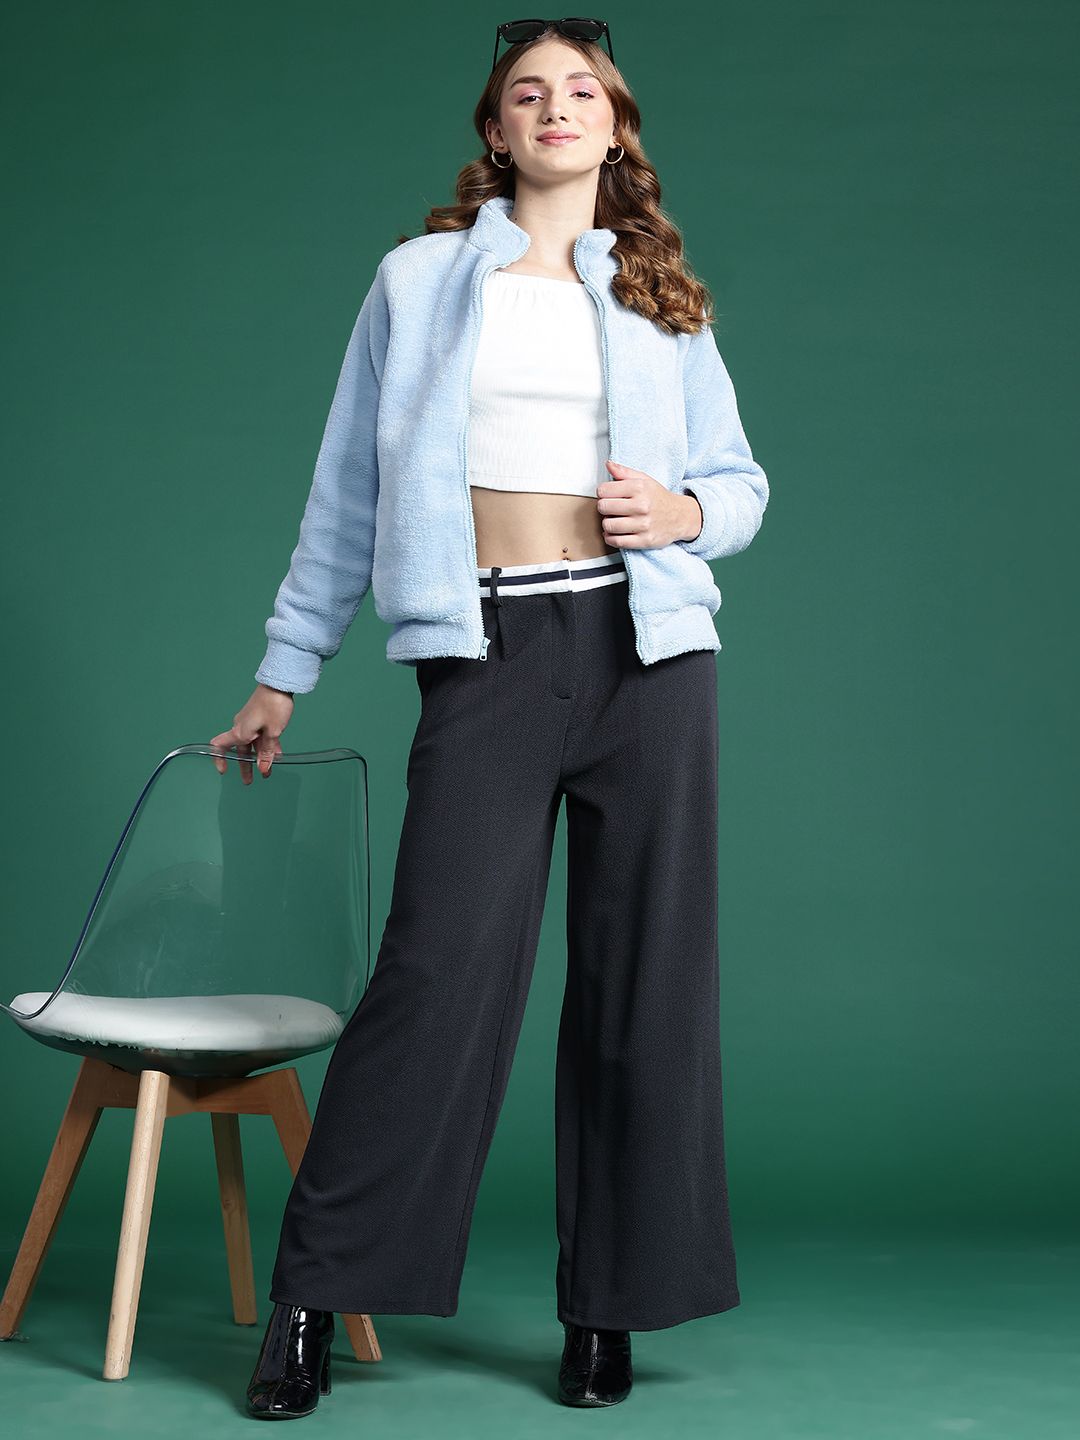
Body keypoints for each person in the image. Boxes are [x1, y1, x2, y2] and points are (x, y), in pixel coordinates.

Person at [213, 17, 769, 1420]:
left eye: (583, 89)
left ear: (616, 124)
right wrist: (285, 666)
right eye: (530, 92)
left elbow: (740, 483)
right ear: (496, 127)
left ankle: (608, 1310)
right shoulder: (418, 282)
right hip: (491, 650)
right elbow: (347, 491)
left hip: (652, 658)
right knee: (436, 975)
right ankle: (310, 1297)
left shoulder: (661, 293)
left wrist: (686, 512)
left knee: (646, 987)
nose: (557, 107)